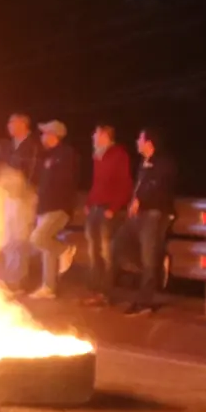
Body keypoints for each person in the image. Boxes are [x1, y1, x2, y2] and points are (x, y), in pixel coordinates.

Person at [108, 127, 177, 315]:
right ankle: (158, 266)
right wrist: (133, 202)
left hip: (155, 214)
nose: (137, 142)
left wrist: (141, 199)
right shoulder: (142, 163)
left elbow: (159, 186)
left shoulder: (164, 163)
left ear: (149, 143)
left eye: (140, 139)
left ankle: (145, 302)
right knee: (117, 245)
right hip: (138, 216)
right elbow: (139, 187)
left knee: (148, 258)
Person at [27, 119, 78, 300]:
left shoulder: (65, 154)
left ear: (53, 135)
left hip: (58, 208)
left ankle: (64, 250)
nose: (42, 136)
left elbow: (66, 182)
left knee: (38, 238)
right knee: (46, 250)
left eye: (45, 133)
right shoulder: (47, 156)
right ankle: (48, 287)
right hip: (45, 208)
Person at [81, 123, 131, 298]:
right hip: (94, 208)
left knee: (106, 251)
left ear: (104, 136)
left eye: (95, 134)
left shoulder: (118, 154)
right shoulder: (97, 156)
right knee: (92, 251)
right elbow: (96, 184)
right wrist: (88, 202)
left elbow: (125, 184)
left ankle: (106, 292)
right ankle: (94, 290)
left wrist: (114, 208)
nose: (93, 137)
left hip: (107, 210)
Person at [0, 113, 40, 288]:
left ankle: (19, 279)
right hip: (9, 197)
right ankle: (10, 275)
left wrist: (23, 192)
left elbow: (32, 173)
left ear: (23, 124)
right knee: (8, 237)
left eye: (12, 122)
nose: (9, 125)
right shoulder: (10, 147)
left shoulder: (32, 146)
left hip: (23, 199)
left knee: (20, 238)